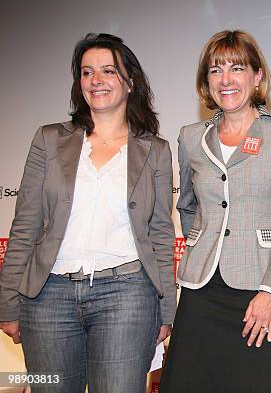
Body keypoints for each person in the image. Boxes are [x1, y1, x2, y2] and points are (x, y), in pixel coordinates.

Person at [0, 33, 176, 392]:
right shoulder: (48, 140)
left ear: (130, 82)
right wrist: (7, 301)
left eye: (108, 71)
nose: (96, 80)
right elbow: (25, 226)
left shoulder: (155, 150)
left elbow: (160, 233)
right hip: (47, 298)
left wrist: (167, 310)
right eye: (86, 72)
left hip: (127, 297)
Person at [159, 29, 271, 393]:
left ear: (257, 76)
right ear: (206, 81)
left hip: (260, 289)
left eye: (237, 68)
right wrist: (201, 241)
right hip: (201, 290)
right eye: (215, 70)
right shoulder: (191, 137)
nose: (225, 79)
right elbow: (187, 206)